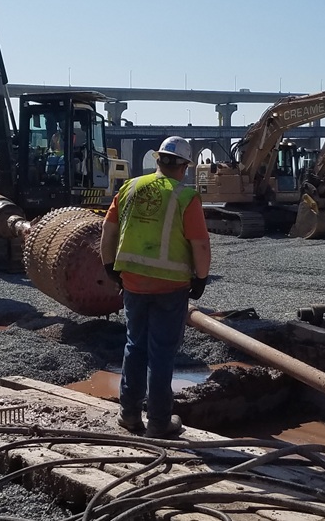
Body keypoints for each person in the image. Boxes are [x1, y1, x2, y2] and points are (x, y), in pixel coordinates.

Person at [99, 136, 211, 438]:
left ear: (157, 160)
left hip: (133, 283)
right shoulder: (186, 197)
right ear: (185, 167)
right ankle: (160, 421)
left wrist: (110, 268)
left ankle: (130, 415)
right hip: (170, 288)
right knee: (161, 352)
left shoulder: (130, 188)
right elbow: (199, 244)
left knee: (135, 346)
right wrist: (200, 278)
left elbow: (108, 232)